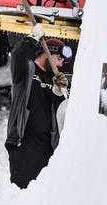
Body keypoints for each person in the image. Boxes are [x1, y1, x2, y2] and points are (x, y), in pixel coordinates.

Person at [5, 24, 70, 189]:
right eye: (59, 59)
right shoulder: (26, 70)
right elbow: (17, 55)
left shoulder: (53, 79)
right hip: (24, 145)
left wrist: (59, 93)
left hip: (46, 148)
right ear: (48, 52)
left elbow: (61, 113)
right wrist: (31, 39)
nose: (61, 64)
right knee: (22, 192)